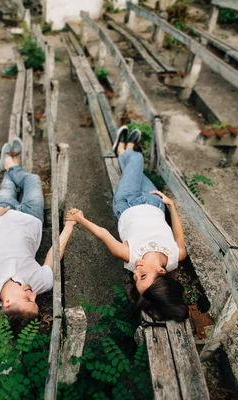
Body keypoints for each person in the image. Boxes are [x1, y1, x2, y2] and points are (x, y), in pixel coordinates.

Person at [66, 126, 189, 322]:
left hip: (127, 203)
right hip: (154, 202)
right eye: (142, 276)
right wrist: (171, 206)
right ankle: (123, 151)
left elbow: (103, 234)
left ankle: (126, 148)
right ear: (161, 272)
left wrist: (80, 219)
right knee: (137, 171)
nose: (136, 272)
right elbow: (179, 236)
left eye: (135, 278)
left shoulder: (130, 257)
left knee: (137, 162)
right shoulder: (176, 256)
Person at [0, 139, 75, 332]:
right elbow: (53, 257)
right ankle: (11, 164)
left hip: (1, 213)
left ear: (6, 303)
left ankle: (8, 165)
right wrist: (70, 226)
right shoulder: (39, 284)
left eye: (27, 299)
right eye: (34, 301)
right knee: (32, 180)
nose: (33, 295)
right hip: (32, 217)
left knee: (8, 186)